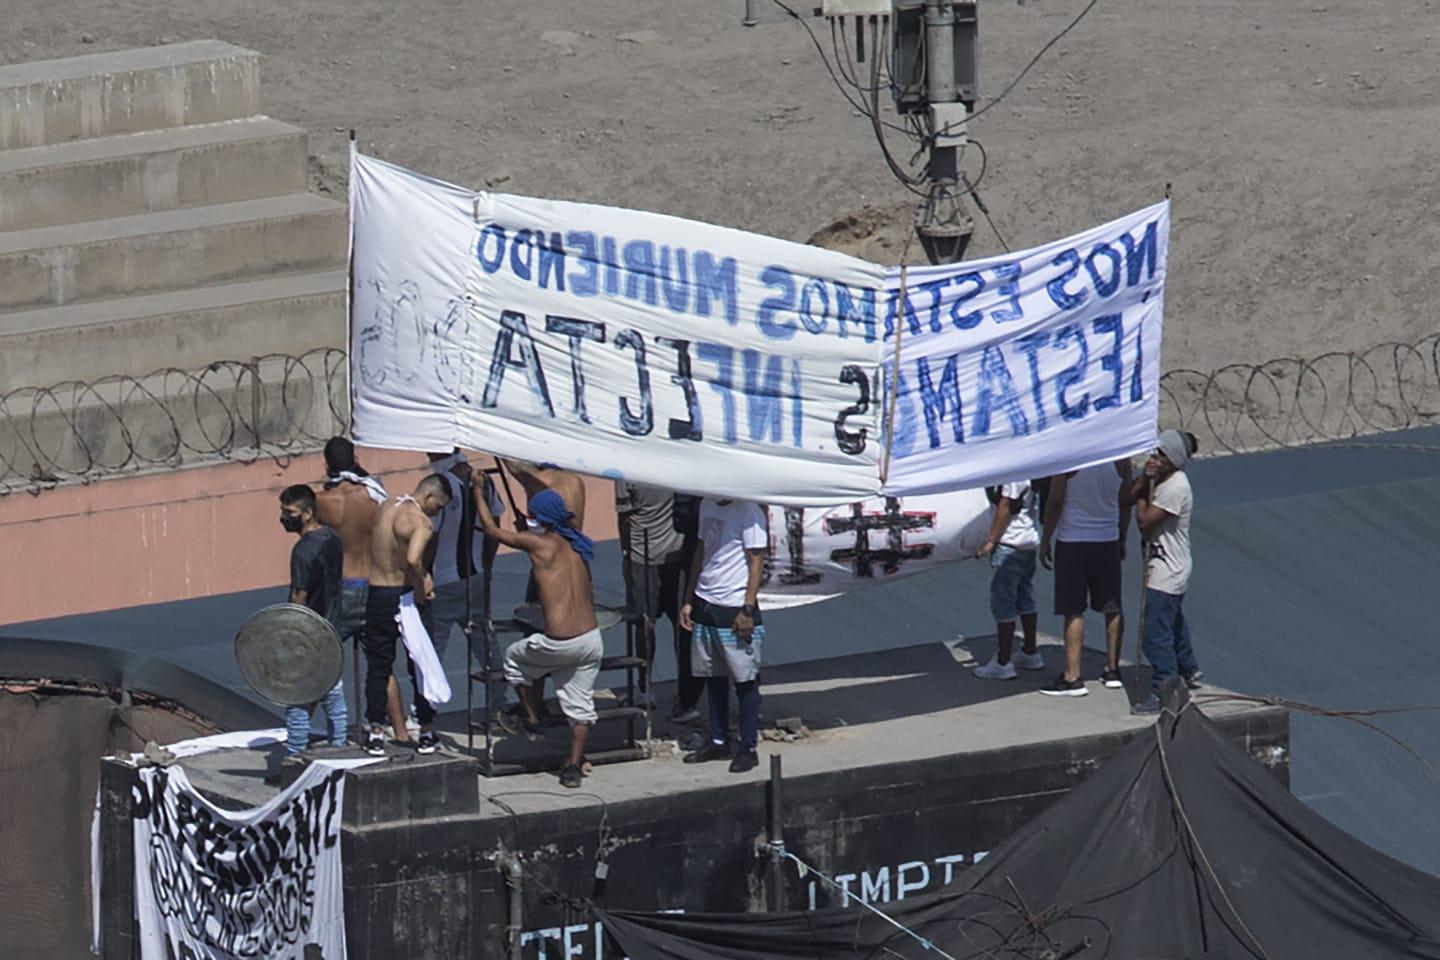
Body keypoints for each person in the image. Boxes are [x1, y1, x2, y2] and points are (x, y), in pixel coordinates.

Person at [480, 489, 603, 789]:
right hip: (590, 640)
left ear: (538, 518)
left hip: (559, 643)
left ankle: (531, 718)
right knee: (580, 708)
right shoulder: (577, 544)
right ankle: (573, 765)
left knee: (514, 657)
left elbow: (492, 529)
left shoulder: (539, 544)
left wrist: (477, 494)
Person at [314, 437, 407, 742]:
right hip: (375, 582)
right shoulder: (375, 496)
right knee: (382, 665)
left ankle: (305, 731)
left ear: (326, 464)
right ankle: (402, 731)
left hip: (342, 587)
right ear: (354, 457)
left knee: (322, 659)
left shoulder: (323, 502)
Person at [363, 474, 451, 756]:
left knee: (378, 665)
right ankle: (426, 731)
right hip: (402, 596)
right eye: (439, 506)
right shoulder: (421, 522)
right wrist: (421, 582)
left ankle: (375, 731)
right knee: (421, 663)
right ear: (429, 497)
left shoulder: (385, 508)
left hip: (377, 592)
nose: (438, 512)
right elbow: (413, 559)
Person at [679, 497, 768, 774]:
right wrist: (689, 598)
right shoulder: (706, 504)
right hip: (706, 602)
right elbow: (700, 551)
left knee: (745, 680)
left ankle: (748, 746)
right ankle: (718, 738)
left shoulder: (749, 510)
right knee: (712, 675)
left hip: (733, 606)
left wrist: (747, 608)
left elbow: (756, 561)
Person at [1038, 459, 1133, 697]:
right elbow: (1125, 500)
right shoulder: (1120, 458)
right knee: (1112, 606)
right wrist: (1122, 534)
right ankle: (1113, 669)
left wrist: (1046, 537)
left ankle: (1073, 676)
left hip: (1074, 539)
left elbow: (1056, 501)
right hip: (1107, 537)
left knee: (1073, 608)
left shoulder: (1071, 456)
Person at [1126, 430, 1202, 715]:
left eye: (1161, 454)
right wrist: (1145, 478)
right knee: (1172, 621)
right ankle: (1189, 667)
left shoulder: (1175, 488)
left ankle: (1164, 691)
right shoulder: (1161, 479)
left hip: (1168, 570)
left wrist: (1147, 492)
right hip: (1168, 566)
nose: (1155, 457)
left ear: (1173, 459)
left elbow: (1145, 522)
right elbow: (1128, 497)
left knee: (1155, 634)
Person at [421, 450, 504, 708]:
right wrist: (487, 566)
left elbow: (431, 536)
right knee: (486, 644)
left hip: (444, 580)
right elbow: (495, 526)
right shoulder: (485, 482)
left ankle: (425, 711)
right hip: (476, 575)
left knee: (432, 649)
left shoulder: (441, 485)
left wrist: (423, 573)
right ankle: (499, 703)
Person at [615, 481, 704, 720]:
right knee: (672, 625)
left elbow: (624, 520)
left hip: (645, 558)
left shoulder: (625, 471)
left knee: (647, 625)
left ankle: (650, 689)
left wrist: (627, 553)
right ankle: (681, 697)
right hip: (664, 555)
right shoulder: (671, 459)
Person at [277, 484, 348, 755]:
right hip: (332, 626)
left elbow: (300, 594)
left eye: (289, 511)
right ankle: (339, 745)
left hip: (308, 631)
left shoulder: (303, 551)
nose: (284, 517)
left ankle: (295, 753)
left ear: (306, 513)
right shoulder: (331, 538)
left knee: (297, 696)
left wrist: (289, 631)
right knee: (332, 690)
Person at [972, 481, 1046, 680]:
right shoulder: (1032, 471)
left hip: (1010, 542)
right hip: (1028, 541)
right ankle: (1030, 651)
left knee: (1004, 602)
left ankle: (1002, 662)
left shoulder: (1015, 475)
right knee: (1025, 598)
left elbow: (1006, 505)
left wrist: (990, 541)